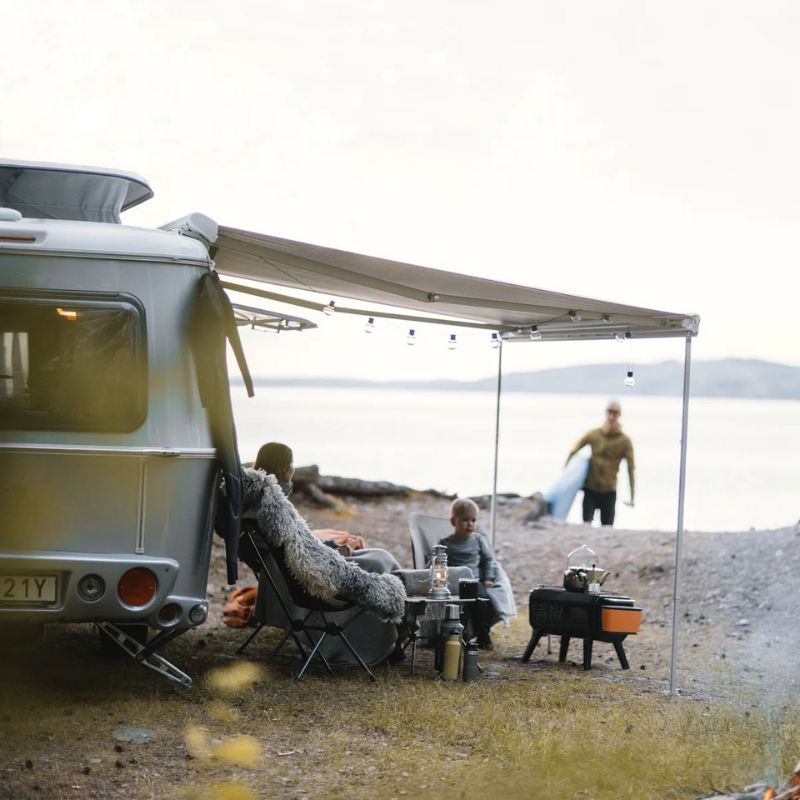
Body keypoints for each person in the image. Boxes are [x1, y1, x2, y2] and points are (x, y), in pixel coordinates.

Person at [437, 497, 498, 649]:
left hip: (474, 580)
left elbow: (488, 559)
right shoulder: (445, 543)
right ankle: (458, 636)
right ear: (453, 522)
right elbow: (438, 564)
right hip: (454, 582)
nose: (470, 524)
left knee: (482, 602)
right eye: (465, 520)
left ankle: (483, 635)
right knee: (458, 609)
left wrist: (488, 578)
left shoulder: (478, 540)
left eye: (473, 520)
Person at [567, 399, 635, 527]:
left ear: (619, 415)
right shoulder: (594, 435)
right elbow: (573, 451)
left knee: (607, 528)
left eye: (615, 414)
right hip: (591, 489)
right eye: (609, 413)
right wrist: (567, 478)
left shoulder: (625, 441)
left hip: (609, 491)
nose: (611, 417)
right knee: (586, 526)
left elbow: (631, 468)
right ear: (606, 413)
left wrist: (632, 495)